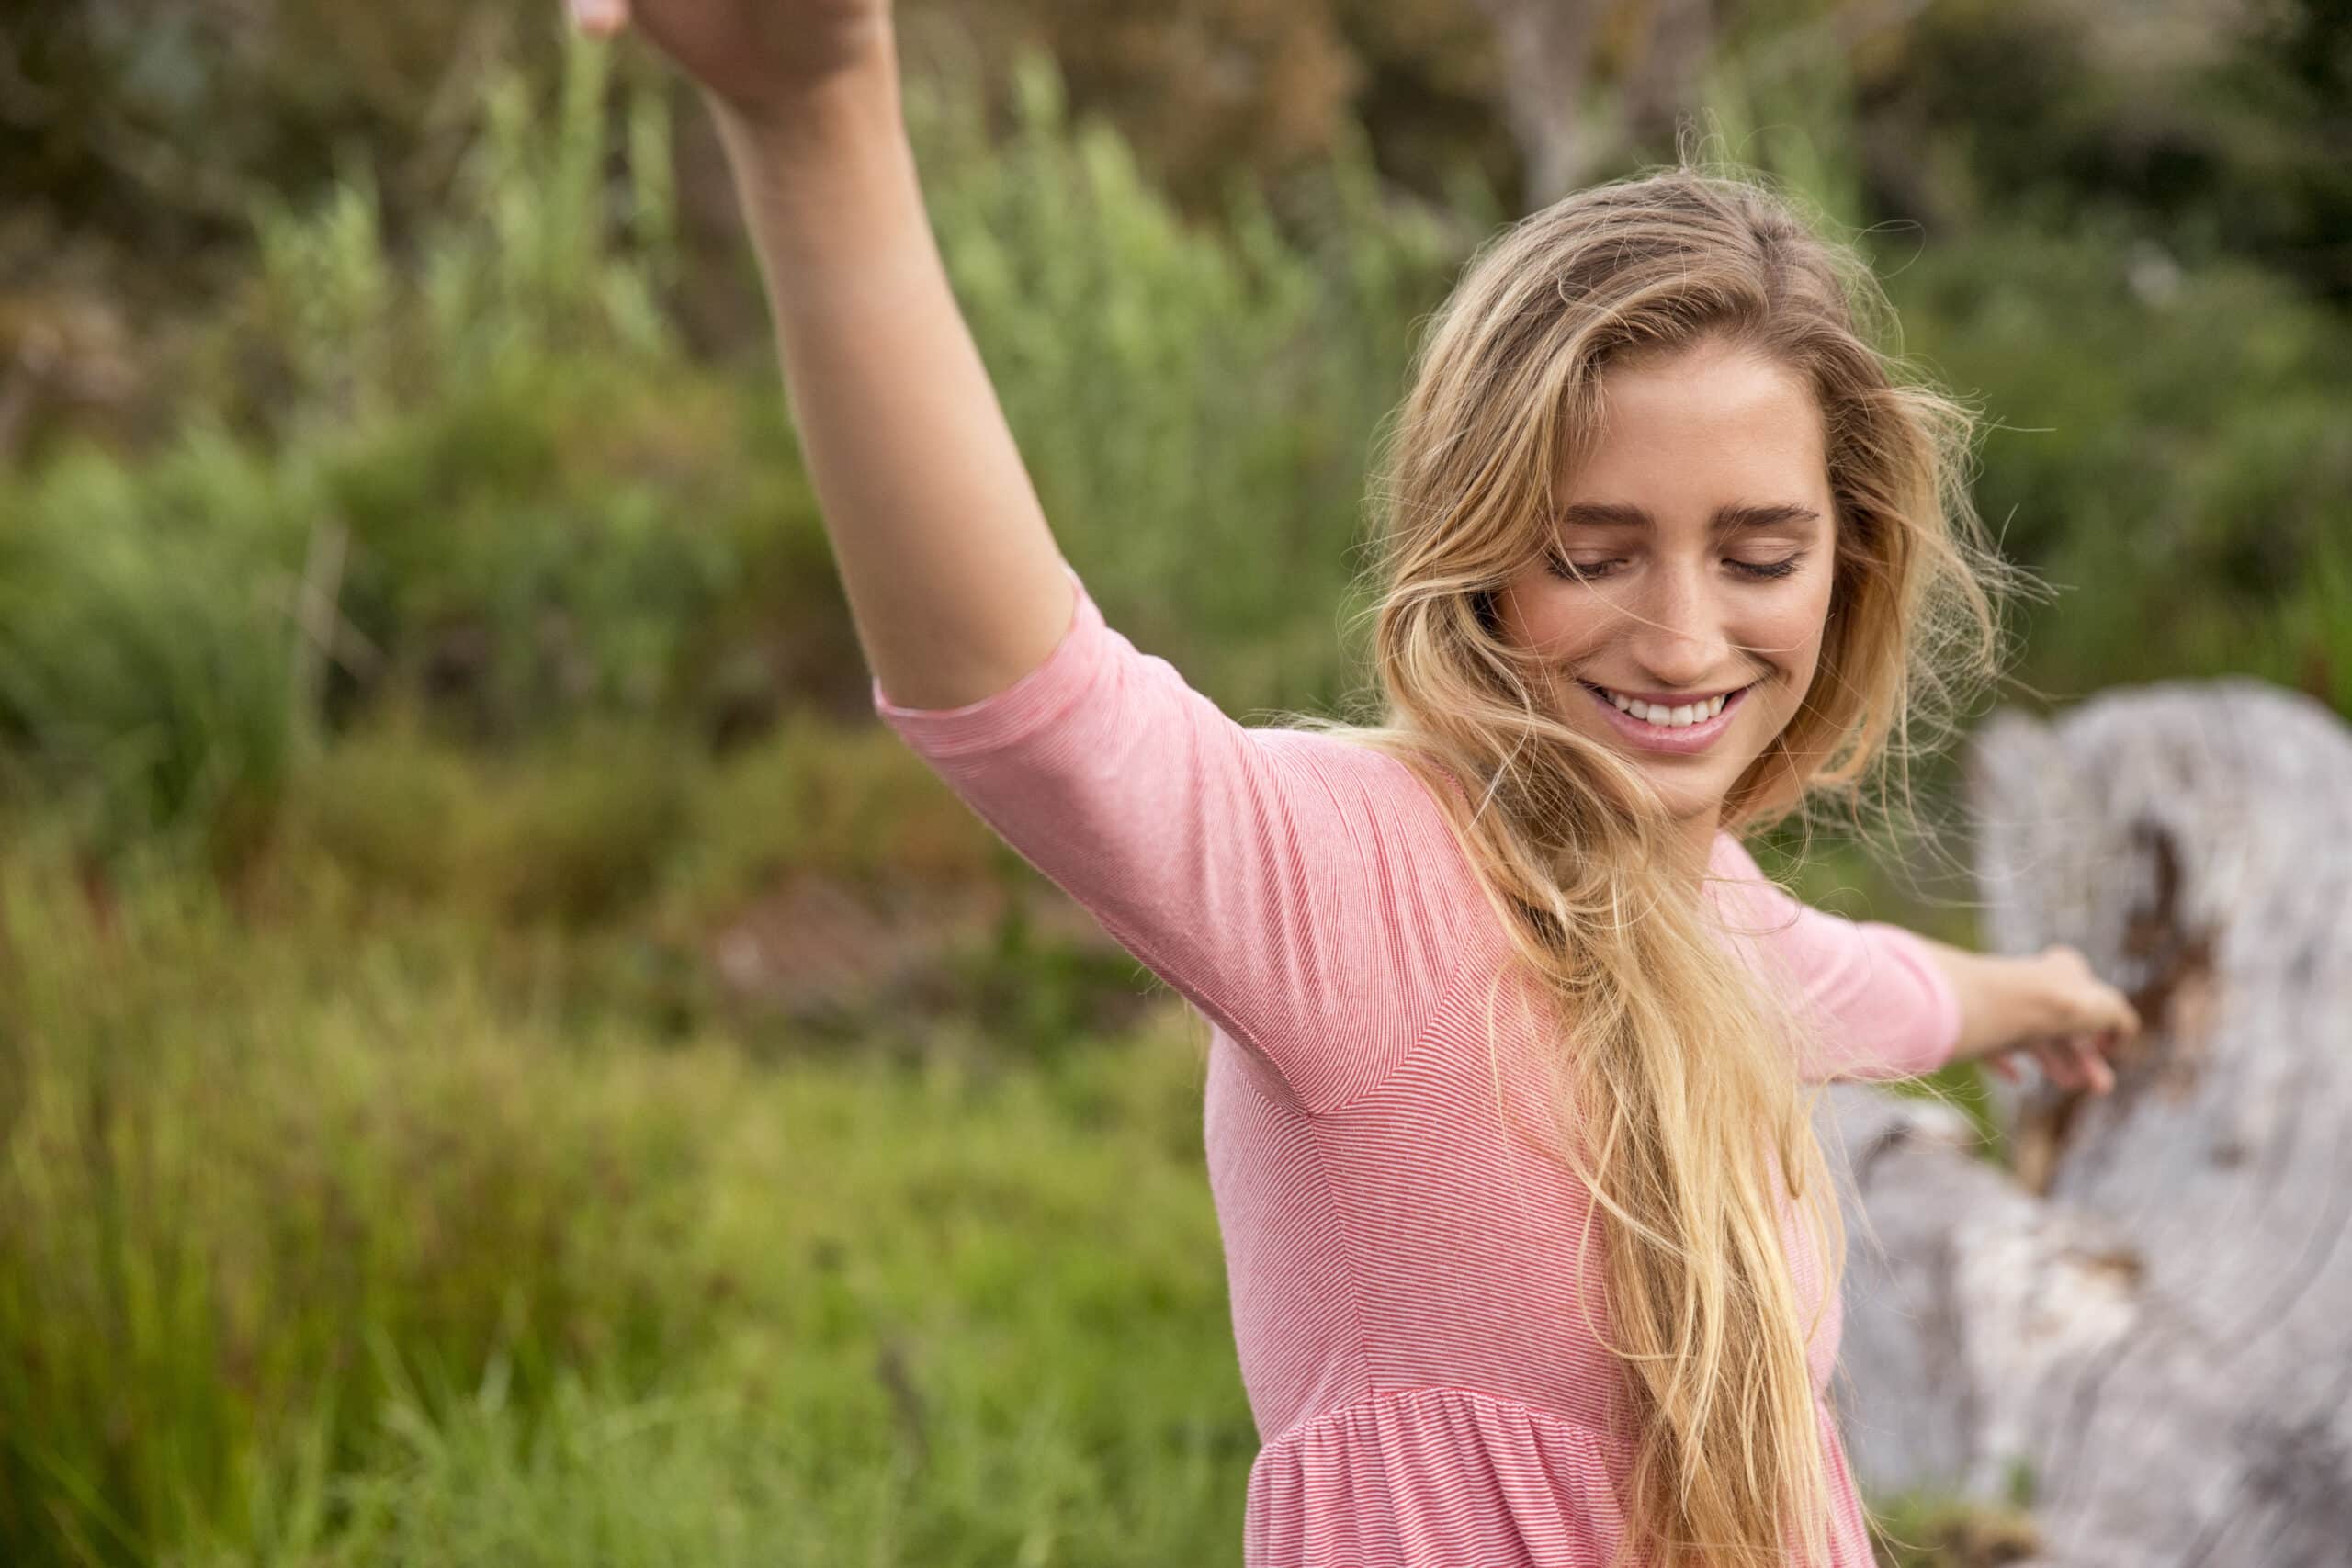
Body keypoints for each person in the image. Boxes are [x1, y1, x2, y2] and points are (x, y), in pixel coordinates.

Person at [565, 1, 2143, 1562]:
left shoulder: (1710, 918)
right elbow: (1027, 696)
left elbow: (1875, 987)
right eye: (1590, 554)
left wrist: (2043, 996)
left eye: (1759, 554)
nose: (1681, 639)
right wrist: (819, 123)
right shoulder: (1364, 891)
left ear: (1845, 565)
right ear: (1477, 564)